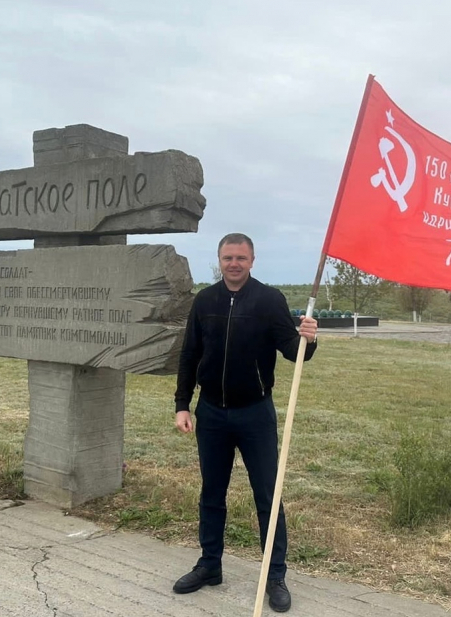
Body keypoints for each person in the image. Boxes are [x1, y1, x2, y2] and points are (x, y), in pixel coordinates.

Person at [172, 232, 318, 613]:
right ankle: (209, 565)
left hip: (255, 413)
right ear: (219, 260)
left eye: (240, 257)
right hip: (212, 413)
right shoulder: (205, 301)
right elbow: (189, 354)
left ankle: (275, 576)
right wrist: (182, 404)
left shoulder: (270, 300)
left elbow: (293, 353)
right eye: (227, 257)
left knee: (268, 497)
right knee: (211, 493)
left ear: (252, 261)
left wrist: (309, 339)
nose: (233, 263)